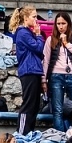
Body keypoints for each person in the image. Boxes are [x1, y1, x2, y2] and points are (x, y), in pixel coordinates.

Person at [43, 12, 72, 131]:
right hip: (56, 76)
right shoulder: (50, 40)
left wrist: (67, 44)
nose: (61, 26)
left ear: (68, 24)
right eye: (58, 24)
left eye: (63, 23)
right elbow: (46, 60)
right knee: (57, 110)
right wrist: (44, 80)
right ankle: (60, 137)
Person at [8, 7, 46, 135]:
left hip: (34, 70)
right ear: (25, 18)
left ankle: (29, 131)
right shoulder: (23, 33)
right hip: (29, 71)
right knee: (28, 104)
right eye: (34, 17)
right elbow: (39, 49)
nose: (36, 20)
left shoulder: (28, 33)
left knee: (35, 105)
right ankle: (21, 132)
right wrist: (39, 35)